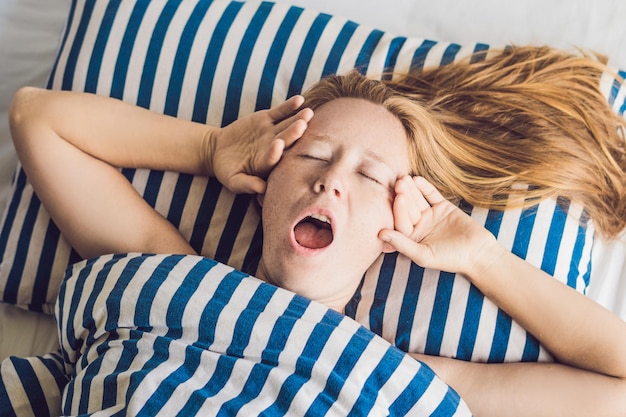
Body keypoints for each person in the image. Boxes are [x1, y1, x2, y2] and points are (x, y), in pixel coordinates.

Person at [8, 45, 626, 416]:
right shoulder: (172, 279)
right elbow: (37, 117)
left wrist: (484, 259)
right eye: (311, 156)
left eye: (371, 176)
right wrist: (209, 146)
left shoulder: (393, 377)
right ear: (266, 186)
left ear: (397, 228)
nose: (331, 181)